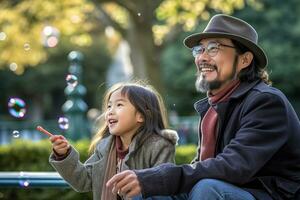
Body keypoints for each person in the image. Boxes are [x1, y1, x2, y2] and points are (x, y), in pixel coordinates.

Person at [106, 14, 300, 200]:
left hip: (269, 194)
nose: (202, 58)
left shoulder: (266, 102)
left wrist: (159, 177)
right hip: (228, 190)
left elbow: (234, 166)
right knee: (146, 191)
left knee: (207, 188)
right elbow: (205, 166)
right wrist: (149, 181)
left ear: (244, 60)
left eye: (213, 48)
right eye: (199, 50)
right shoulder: (213, 107)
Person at [49, 81, 179, 200]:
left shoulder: (159, 146)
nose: (110, 111)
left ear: (141, 116)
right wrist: (63, 155)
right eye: (109, 106)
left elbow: (164, 188)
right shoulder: (104, 147)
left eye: (119, 105)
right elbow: (83, 180)